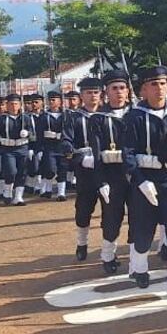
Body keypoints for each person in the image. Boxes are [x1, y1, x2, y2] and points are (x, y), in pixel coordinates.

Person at [123, 66, 167, 300]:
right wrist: (140, 180)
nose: (159, 89)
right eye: (154, 84)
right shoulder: (134, 117)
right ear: (144, 89)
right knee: (143, 228)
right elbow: (128, 153)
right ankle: (139, 268)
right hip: (146, 177)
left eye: (163, 84)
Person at [91, 70, 133, 274]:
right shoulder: (98, 118)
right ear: (106, 92)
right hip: (111, 175)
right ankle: (108, 255)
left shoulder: (136, 114)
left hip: (135, 175)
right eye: (114, 88)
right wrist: (101, 181)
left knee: (138, 217)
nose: (119, 92)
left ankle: (136, 258)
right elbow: (96, 153)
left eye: (122, 88)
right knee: (112, 217)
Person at [63, 77, 103, 260]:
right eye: (88, 92)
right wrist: (80, 159)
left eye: (96, 92)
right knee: (83, 210)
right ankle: (82, 242)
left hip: (107, 168)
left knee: (111, 211)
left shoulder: (107, 115)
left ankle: (108, 250)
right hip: (86, 170)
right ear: (82, 96)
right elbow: (67, 142)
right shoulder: (73, 118)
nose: (93, 96)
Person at [0, 93, 36, 206]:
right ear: (7, 105)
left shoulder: (26, 118)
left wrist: (28, 135)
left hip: (22, 148)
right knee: (11, 171)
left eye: (16, 104)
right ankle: (7, 191)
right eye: (11, 104)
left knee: (22, 172)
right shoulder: (1, 119)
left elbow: (33, 135)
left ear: (20, 105)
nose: (13, 106)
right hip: (8, 149)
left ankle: (18, 197)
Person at [37, 91, 67, 200]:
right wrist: (39, 149)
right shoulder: (44, 116)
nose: (51, 102)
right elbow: (39, 133)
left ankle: (61, 193)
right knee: (50, 169)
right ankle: (48, 189)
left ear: (60, 101)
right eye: (50, 100)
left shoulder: (65, 116)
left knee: (62, 169)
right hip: (49, 146)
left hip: (62, 146)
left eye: (54, 100)